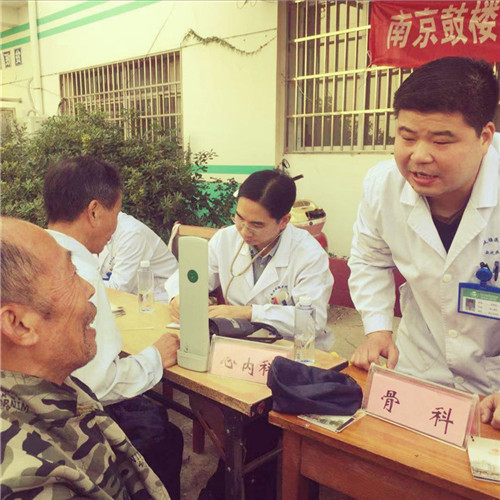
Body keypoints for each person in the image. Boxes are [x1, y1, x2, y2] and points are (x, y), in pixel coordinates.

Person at [347, 57, 500, 427]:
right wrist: (378, 329)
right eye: (406, 137)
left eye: (441, 141)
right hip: (419, 367)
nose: (418, 156)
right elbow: (370, 259)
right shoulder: (383, 185)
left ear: (484, 137)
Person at [43, 155, 183, 499]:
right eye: (115, 214)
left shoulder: (36, 252)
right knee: (165, 436)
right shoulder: (79, 274)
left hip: (40, 403)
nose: (115, 225)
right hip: (71, 415)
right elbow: (98, 384)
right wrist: (155, 358)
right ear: (94, 211)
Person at [0, 217, 169, 499]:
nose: (89, 289)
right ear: (19, 324)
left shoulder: (59, 384)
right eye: (72, 275)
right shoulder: (29, 482)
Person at [166, 168, 334, 350]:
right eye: (239, 218)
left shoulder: (309, 254)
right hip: (238, 343)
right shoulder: (226, 239)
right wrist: (178, 296)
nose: (244, 231)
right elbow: (190, 276)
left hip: (296, 350)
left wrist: (249, 313)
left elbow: (312, 320)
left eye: (257, 225)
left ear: (284, 221)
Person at [99, 211, 178, 302]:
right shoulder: (100, 228)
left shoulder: (131, 234)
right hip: (133, 299)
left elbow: (118, 289)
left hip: (160, 299)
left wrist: (85, 284)